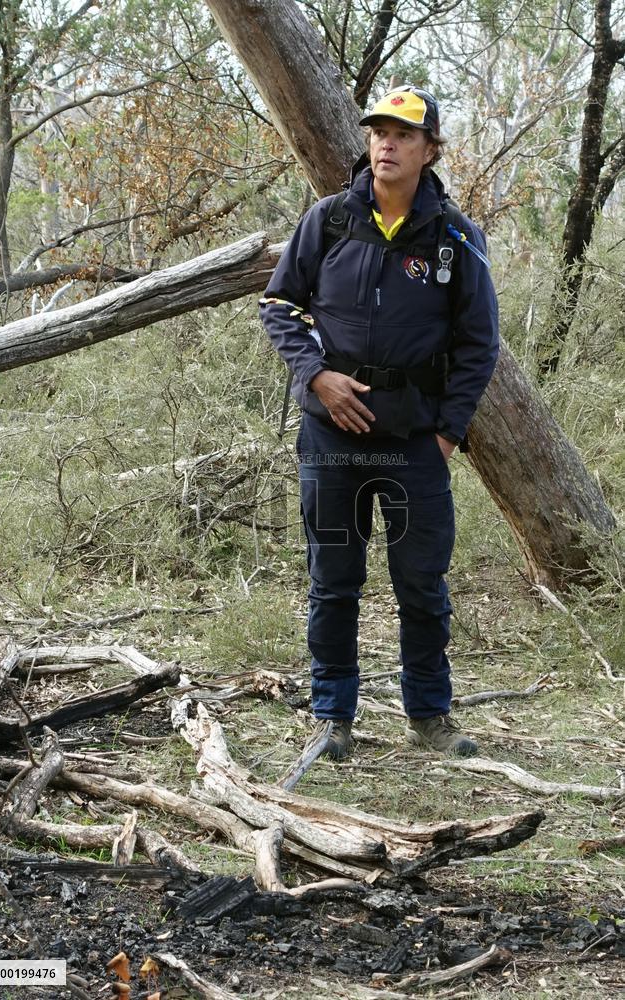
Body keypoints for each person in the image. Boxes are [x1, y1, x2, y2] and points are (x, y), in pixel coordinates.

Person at [259, 86, 499, 760]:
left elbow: (480, 344)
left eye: (402, 134)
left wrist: (448, 431)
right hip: (331, 442)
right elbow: (279, 305)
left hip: (415, 444)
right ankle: (333, 716)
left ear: (429, 149)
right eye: (378, 133)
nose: (386, 144)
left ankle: (431, 716)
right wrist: (316, 375)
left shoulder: (455, 238)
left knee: (421, 584)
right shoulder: (330, 219)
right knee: (334, 581)